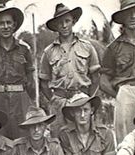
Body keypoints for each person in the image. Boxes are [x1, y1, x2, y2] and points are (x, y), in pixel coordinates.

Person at [39, 3, 100, 138]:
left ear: (74, 21)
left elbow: (95, 78)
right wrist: (55, 99)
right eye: (60, 22)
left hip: (82, 100)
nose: (64, 25)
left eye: (67, 21)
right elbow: (43, 82)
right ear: (55, 26)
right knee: (59, 138)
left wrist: (87, 98)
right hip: (59, 102)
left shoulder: (87, 47)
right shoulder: (48, 52)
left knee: (84, 138)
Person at [0, 7, 35, 140]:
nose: (5, 26)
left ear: (14, 25)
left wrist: (29, 102)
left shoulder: (24, 49)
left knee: (22, 135)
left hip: (20, 99)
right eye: (1, 23)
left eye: (8, 23)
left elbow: (30, 79)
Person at [100, 0, 135, 145]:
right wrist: (120, 95)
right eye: (128, 13)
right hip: (127, 93)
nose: (133, 16)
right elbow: (103, 80)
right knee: (128, 138)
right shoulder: (113, 48)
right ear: (122, 19)